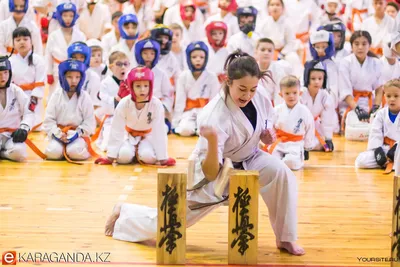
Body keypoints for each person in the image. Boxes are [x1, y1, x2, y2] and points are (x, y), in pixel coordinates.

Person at [104, 50, 305, 256]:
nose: (247, 95)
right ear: (228, 82)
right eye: (242, 89)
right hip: (212, 170)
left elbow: (267, 117)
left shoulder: (258, 93)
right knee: (173, 221)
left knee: (282, 174)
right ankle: (125, 213)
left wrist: (266, 131)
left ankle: (285, 238)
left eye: (252, 89)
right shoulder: (213, 115)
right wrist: (211, 140)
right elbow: (211, 172)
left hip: (250, 157)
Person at [94, 66, 176, 166]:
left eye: (146, 86)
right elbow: (117, 129)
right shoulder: (124, 103)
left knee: (148, 157)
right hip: (128, 135)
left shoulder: (156, 104)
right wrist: (110, 157)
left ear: (151, 86)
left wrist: (163, 158)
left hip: (148, 136)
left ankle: (139, 153)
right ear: (131, 87)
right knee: (124, 157)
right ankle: (133, 153)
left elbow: (159, 131)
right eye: (138, 86)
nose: (142, 90)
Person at [42, 59, 97, 163]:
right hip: (59, 133)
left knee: (74, 151)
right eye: (69, 77)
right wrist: (57, 134)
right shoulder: (56, 95)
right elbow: (48, 121)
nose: (74, 81)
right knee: (53, 152)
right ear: (63, 77)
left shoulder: (85, 97)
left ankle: (71, 150)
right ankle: (62, 150)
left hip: (78, 135)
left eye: (77, 77)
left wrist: (77, 133)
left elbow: (89, 123)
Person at [338, 31, 384, 136]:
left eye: (364, 44)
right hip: (351, 103)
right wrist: (357, 108)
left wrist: (376, 107)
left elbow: (378, 89)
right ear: (351, 46)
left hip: (370, 102)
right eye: (356, 44)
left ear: (369, 45)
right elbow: (345, 91)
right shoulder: (345, 62)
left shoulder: (376, 62)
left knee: (376, 126)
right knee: (355, 128)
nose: (360, 47)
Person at [266, 75, 315, 170]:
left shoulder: (304, 111)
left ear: (300, 93)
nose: (291, 96)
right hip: (279, 143)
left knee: (291, 162)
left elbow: (310, 128)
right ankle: (279, 164)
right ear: (281, 94)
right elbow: (270, 126)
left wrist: (307, 147)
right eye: (287, 93)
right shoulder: (277, 110)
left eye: (294, 93)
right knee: (271, 161)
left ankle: (283, 164)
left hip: (295, 144)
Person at [172, 41, 220, 136]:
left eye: (201, 57)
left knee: (204, 132)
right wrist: (176, 122)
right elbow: (180, 101)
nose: (198, 60)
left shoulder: (212, 77)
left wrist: (215, 118)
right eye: (194, 57)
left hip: (206, 112)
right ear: (188, 58)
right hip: (189, 112)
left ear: (206, 58)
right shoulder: (183, 76)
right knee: (185, 130)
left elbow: (215, 102)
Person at [355, 79, 400, 173]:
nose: (392, 99)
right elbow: (375, 132)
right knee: (361, 160)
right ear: (384, 96)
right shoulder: (381, 114)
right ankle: (387, 161)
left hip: (398, 149)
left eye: (396, 96)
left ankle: (391, 162)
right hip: (385, 148)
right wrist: (378, 151)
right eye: (388, 96)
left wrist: (395, 149)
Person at [9, 27, 46, 131]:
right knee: (14, 125)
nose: (22, 42)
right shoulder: (10, 61)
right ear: (13, 43)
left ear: (31, 41)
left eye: (25, 39)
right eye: (18, 40)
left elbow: (40, 82)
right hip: (15, 95)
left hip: (32, 97)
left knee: (34, 125)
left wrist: (33, 100)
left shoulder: (38, 60)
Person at [0, 56, 34, 162]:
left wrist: (24, 128)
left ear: (10, 73)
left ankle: (2, 153)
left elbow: (28, 112)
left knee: (20, 153)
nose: (3, 77)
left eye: (5, 72)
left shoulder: (16, 90)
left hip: (12, 135)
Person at [94, 51, 129, 152]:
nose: (123, 67)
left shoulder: (130, 82)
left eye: (125, 64)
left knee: (127, 144)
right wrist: (116, 100)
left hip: (128, 120)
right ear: (110, 67)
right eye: (119, 64)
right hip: (111, 119)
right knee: (107, 147)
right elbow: (106, 106)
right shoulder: (105, 84)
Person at [301, 60, 336, 152]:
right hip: (299, 127)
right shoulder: (301, 94)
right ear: (307, 78)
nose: (317, 82)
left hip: (314, 127)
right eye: (313, 78)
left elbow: (327, 119)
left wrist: (328, 138)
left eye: (320, 79)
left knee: (323, 146)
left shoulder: (325, 96)